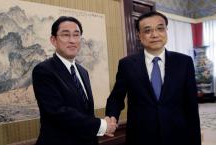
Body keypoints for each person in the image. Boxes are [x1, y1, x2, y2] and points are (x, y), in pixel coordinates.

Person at [105, 11, 201, 145]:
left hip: (178, 135)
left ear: (166, 31)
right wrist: (111, 117)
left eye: (160, 28)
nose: (155, 34)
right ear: (139, 35)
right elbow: (116, 97)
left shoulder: (184, 62)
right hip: (141, 136)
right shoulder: (127, 64)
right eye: (147, 30)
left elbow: (191, 105)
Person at [32, 16, 116, 145]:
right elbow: (58, 112)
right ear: (53, 40)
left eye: (76, 35)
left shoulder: (82, 71)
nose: (72, 40)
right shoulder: (43, 70)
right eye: (65, 35)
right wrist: (102, 125)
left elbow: (85, 111)